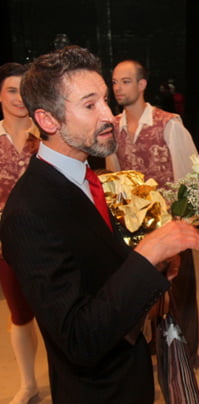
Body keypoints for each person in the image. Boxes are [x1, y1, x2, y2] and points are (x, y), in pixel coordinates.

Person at [0, 46, 199, 404]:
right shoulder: (28, 213)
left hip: (128, 375)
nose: (109, 115)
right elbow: (78, 339)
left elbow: (98, 273)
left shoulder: (85, 177)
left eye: (106, 101)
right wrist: (147, 254)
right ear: (48, 120)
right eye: (90, 105)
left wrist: (152, 270)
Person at [106, 59, 199, 368]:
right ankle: (150, 347)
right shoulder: (112, 128)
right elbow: (115, 179)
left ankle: (187, 355)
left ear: (142, 84)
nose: (118, 88)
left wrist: (185, 223)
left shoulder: (168, 123)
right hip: (136, 229)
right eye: (115, 82)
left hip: (172, 224)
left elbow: (190, 177)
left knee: (180, 292)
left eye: (125, 81)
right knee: (143, 291)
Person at [0, 62, 40, 404]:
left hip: (51, 241)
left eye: (23, 90)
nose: (18, 98)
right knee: (20, 315)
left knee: (60, 312)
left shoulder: (48, 136)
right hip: (6, 246)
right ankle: (28, 384)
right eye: (11, 90)